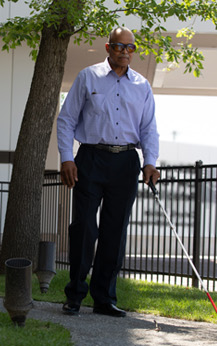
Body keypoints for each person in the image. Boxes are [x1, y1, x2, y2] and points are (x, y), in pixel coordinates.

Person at [56, 27, 160, 318]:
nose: (124, 52)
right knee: (85, 228)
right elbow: (66, 120)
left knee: (115, 232)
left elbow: (149, 128)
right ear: (107, 47)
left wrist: (150, 161)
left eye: (130, 47)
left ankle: (104, 298)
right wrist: (67, 158)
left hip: (126, 161)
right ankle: (75, 295)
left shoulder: (142, 85)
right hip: (90, 159)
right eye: (118, 46)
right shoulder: (88, 77)